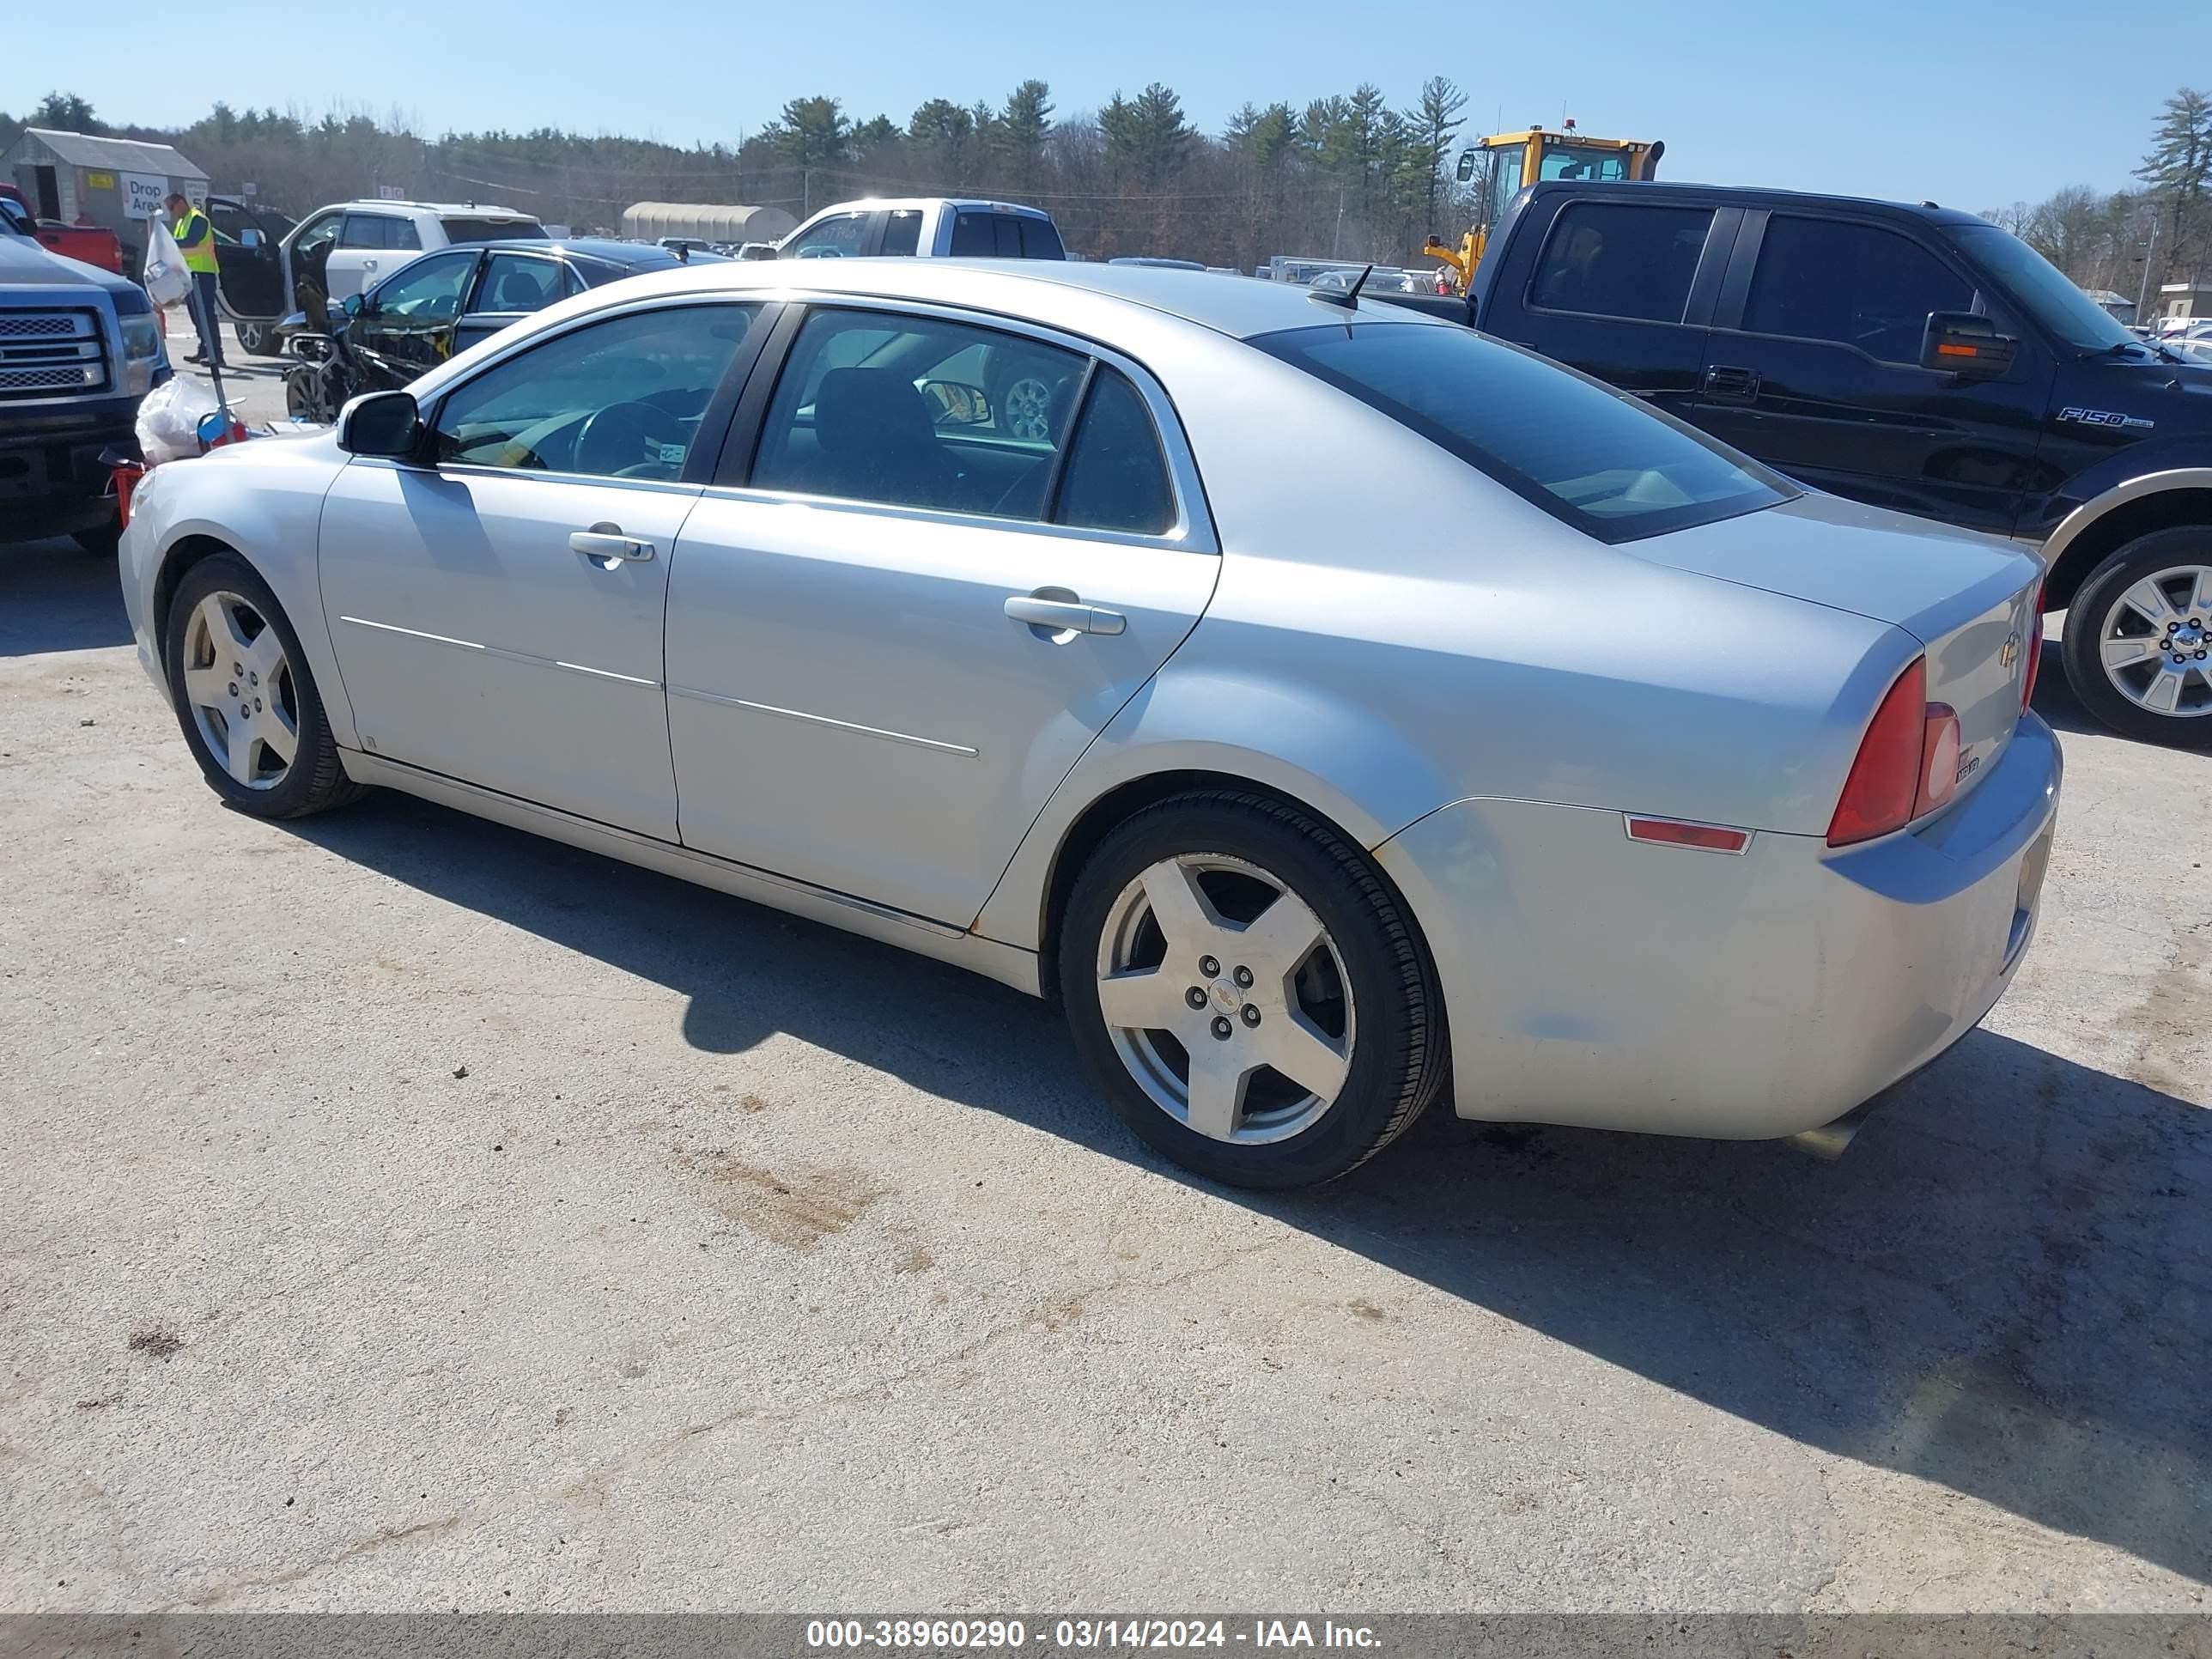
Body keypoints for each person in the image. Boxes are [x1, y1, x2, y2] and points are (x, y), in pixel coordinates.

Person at [165, 192, 225, 369]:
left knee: (206, 315)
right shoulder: (182, 222)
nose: (172, 212)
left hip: (203, 273)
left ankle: (217, 353)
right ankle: (204, 349)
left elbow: (190, 242)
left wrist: (167, 242)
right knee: (196, 316)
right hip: (189, 274)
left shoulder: (198, 219)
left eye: (172, 208)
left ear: (181, 202)